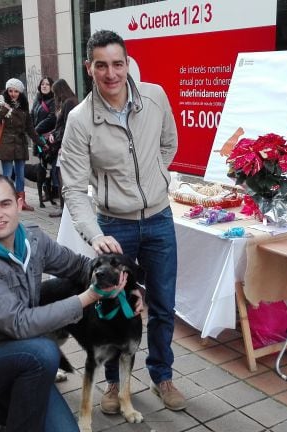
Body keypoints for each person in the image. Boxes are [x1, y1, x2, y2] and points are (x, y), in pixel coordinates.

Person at [0, 172, 130, 432]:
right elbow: (20, 324)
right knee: (44, 352)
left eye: (4, 204)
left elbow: (79, 266)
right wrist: (90, 297)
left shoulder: (33, 239)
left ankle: (0, 404)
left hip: (16, 353)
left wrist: (125, 289)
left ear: (18, 203)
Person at [61, 29, 185, 411]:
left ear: (128, 63)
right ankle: (114, 384)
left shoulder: (155, 97)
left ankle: (162, 376)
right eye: (102, 65)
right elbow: (73, 189)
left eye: (118, 63)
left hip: (159, 218)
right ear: (89, 68)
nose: (111, 73)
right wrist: (94, 233)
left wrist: (154, 177)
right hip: (114, 226)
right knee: (111, 308)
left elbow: (169, 143)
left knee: (163, 306)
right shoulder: (80, 120)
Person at [0, 78, 46, 212]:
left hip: (20, 145)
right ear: (7, 91)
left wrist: (41, 143)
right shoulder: (1, 102)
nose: (13, 94)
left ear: (20, 92)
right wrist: (4, 110)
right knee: (7, 175)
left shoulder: (23, 105)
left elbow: (30, 128)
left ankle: (21, 202)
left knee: (20, 175)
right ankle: (7, 202)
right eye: (10, 91)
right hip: (6, 144)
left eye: (16, 91)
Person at [48, 78, 79, 218]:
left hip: (67, 146)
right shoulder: (71, 101)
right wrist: (53, 133)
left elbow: (68, 126)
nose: (54, 96)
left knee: (62, 176)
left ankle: (64, 207)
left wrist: (63, 145)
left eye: (55, 92)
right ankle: (65, 207)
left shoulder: (69, 103)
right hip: (67, 144)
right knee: (62, 176)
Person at [30, 77, 58, 211]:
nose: (44, 86)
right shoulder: (38, 99)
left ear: (51, 86)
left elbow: (52, 117)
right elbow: (32, 114)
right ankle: (47, 192)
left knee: (52, 165)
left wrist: (36, 130)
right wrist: (31, 129)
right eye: (42, 84)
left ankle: (54, 191)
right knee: (42, 164)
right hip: (38, 138)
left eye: (47, 84)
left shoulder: (54, 100)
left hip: (49, 139)